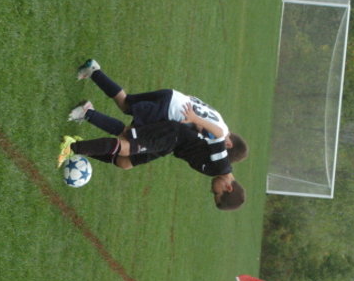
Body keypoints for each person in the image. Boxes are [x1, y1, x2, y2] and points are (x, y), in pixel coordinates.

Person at [57, 104, 246, 211]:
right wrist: (196, 120)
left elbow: (208, 142)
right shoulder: (222, 166)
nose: (212, 190)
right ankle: (72, 146)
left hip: (169, 146)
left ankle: (85, 142)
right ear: (228, 187)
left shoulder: (219, 169)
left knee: (125, 162)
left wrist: (198, 130)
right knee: (126, 146)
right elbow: (219, 134)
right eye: (216, 194)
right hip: (171, 136)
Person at [68, 59, 248, 163]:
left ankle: (94, 71)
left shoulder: (220, 119)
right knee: (128, 137)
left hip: (172, 96)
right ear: (229, 144)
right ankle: (87, 113)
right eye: (223, 150)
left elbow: (195, 101)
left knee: (126, 104)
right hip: (167, 112)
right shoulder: (219, 134)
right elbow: (202, 128)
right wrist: (193, 126)